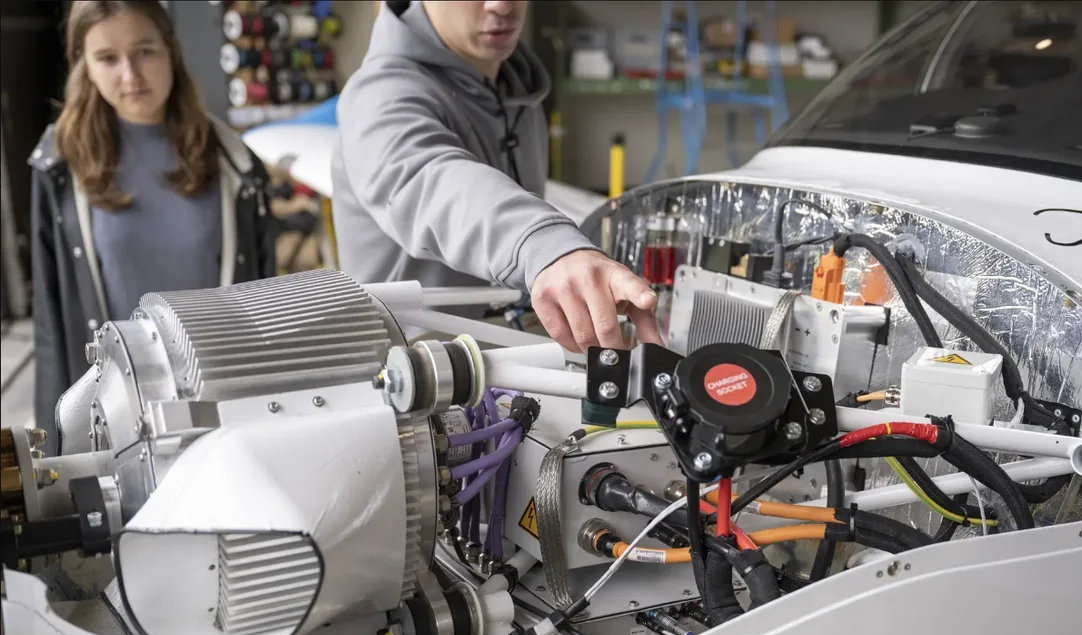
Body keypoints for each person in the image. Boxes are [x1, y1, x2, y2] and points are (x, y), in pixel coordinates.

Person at [333, 0, 661, 354]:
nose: (502, 5)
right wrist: (546, 247)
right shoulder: (381, 95)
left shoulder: (514, 89)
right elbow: (432, 180)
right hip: (410, 371)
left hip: (496, 353)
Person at [29, 0, 276, 453]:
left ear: (171, 52)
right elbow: (50, 327)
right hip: (119, 424)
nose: (130, 74)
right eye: (107, 58)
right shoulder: (59, 170)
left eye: (145, 51)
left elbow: (263, 313)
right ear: (85, 65)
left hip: (223, 415)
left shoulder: (237, 167)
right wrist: (54, 456)